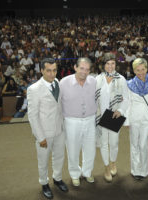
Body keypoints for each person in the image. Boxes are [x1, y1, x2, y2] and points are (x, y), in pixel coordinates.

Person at [27, 58, 68, 199]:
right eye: (48, 71)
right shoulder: (34, 89)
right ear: (42, 71)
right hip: (44, 132)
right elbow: (32, 116)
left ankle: (57, 178)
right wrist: (40, 137)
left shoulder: (57, 83)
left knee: (59, 156)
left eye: (54, 70)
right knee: (43, 160)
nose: (52, 74)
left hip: (59, 129)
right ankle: (44, 183)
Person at [59, 57, 97, 187]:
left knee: (90, 148)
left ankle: (87, 172)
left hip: (90, 120)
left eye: (87, 69)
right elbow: (58, 103)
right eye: (81, 68)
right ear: (75, 67)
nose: (84, 72)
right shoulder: (63, 83)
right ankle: (75, 174)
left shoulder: (93, 81)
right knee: (73, 149)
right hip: (71, 121)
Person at [95, 53, 129, 182]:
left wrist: (120, 110)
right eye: (107, 63)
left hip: (114, 115)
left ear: (116, 64)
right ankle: (106, 167)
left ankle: (113, 161)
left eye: (112, 63)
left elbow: (126, 98)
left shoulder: (121, 79)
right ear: (103, 65)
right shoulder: (97, 79)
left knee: (114, 143)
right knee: (103, 143)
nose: (110, 66)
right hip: (102, 116)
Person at [125, 58, 148, 180]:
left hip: (147, 117)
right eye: (137, 70)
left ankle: (144, 170)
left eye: (143, 69)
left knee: (143, 144)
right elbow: (127, 103)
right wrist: (127, 120)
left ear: (147, 69)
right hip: (134, 117)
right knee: (134, 144)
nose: (140, 72)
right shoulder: (129, 84)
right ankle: (135, 170)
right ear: (133, 71)